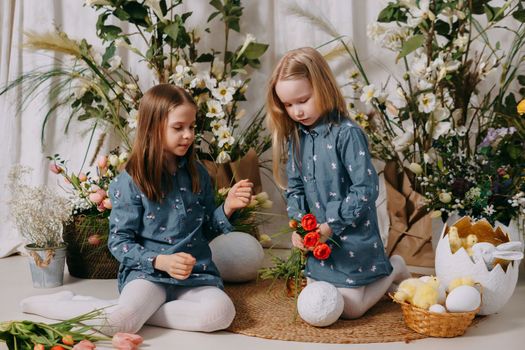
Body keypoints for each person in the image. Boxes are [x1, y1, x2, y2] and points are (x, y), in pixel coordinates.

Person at [20, 84, 254, 335]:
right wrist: (161, 261)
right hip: (147, 275)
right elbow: (119, 242)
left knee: (221, 315)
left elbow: (205, 230)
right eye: (178, 128)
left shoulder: (199, 175)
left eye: (192, 127)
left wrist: (228, 207)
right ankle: (65, 305)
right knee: (117, 325)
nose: (188, 135)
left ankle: (130, 312)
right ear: (153, 128)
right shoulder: (130, 180)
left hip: (196, 274)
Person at [266, 47, 411, 319]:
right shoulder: (297, 137)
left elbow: (365, 189)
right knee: (315, 300)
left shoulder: (347, 134)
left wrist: (332, 225)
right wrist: (300, 227)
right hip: (319, 243)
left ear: (323, 86)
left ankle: (394, 267)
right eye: (287, 105)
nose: (296, 111)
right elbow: (295, 188)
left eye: (303, 100)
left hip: (352, 236)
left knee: (351, 310)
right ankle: (378, 284)